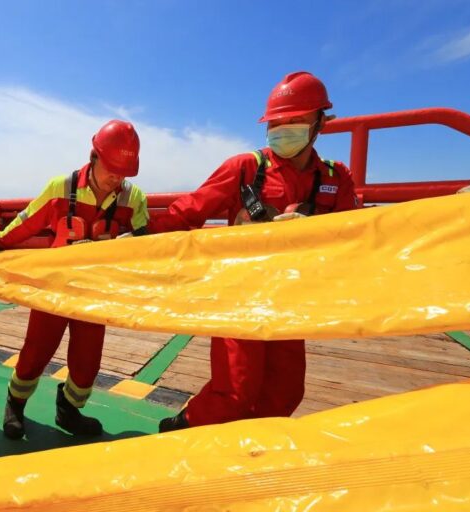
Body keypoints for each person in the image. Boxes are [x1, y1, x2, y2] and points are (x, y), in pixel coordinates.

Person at [150, 71, 360, 432]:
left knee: (285, 392)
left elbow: (358, 235)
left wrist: (313, 231)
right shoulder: (247, 168)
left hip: (290, 300)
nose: (284, 128)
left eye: (295, 120)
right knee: (236, 391)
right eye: (277, 122)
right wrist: (134, 238)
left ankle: (245, 456)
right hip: (240, 295)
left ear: (320, 123)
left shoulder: (334, 177)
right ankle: (183, 426)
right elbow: (186, 212)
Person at [0, 120, 149, 439]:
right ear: (93, 156)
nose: (117, 178)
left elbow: (149, 241)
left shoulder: (133, 198)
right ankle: (15, 404)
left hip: (93, 296)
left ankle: (68, 408)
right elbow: (27, 222)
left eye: (124, 172)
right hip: (52, 290)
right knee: (35, 353)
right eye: (112, 168)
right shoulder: (61, 188)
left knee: (87, 366)